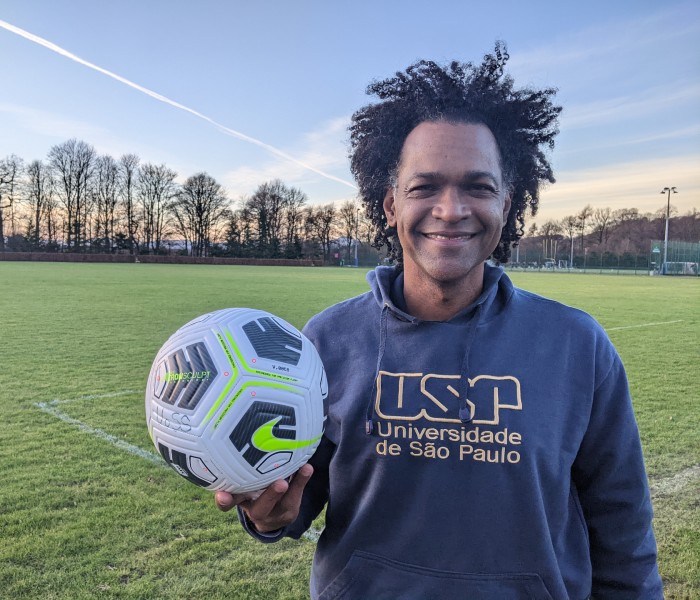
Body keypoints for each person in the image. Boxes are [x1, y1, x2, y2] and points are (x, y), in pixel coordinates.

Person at [216, 43, 663, 599]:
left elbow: (622, 526)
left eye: (478, 187)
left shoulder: (577, 345)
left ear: (507, 202)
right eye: (425, 186)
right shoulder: (326, 341)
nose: (450, 209)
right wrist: (269, 513)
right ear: (390, 205)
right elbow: (301, 487)